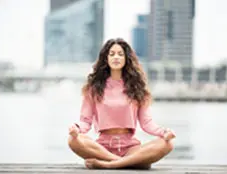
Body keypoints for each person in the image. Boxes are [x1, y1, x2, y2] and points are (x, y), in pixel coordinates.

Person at [68, 38, 176, 169]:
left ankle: (109, 165)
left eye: (120, 54)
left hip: (130, 148)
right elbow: (85, 121)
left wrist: (163, 132)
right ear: (106, 58)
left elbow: (147, 123)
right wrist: (76, 129)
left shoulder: (138, 87)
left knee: (168, 143)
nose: (116, 57)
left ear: (126, 58)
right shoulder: (93, 88)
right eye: (112, 54)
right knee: (73, 140)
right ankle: (126, 162)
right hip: (103, 147)